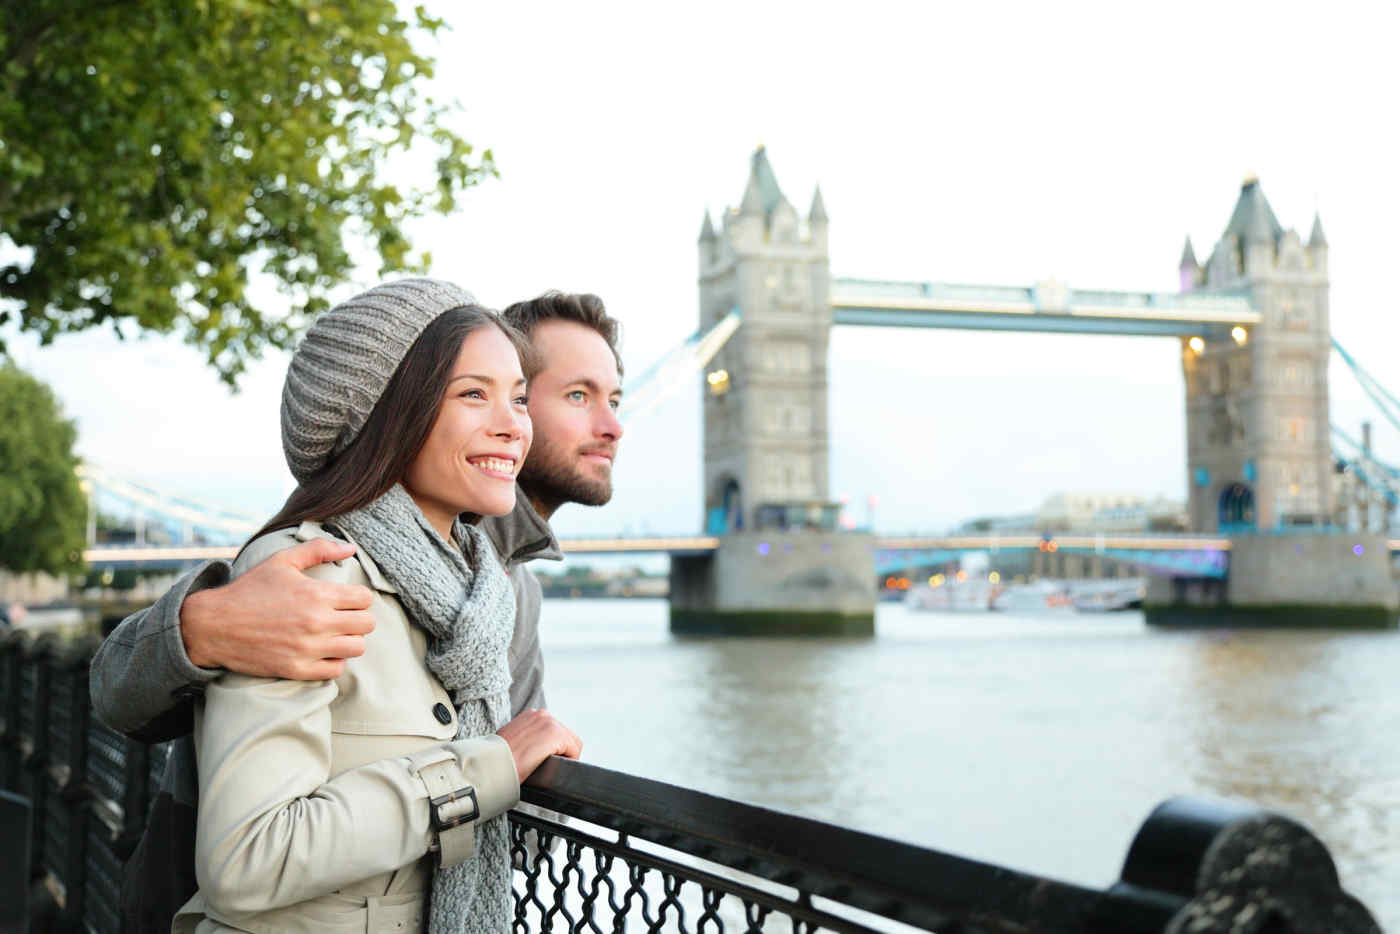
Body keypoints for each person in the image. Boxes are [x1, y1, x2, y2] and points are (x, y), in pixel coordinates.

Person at [90, 290, 626, 931]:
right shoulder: (318, 564)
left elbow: (523, 802)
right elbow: (123, 702)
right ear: (394, 408)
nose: (611, 425)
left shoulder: (497, 586)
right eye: (575, 395)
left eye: (514, 394)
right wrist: (198, 628)